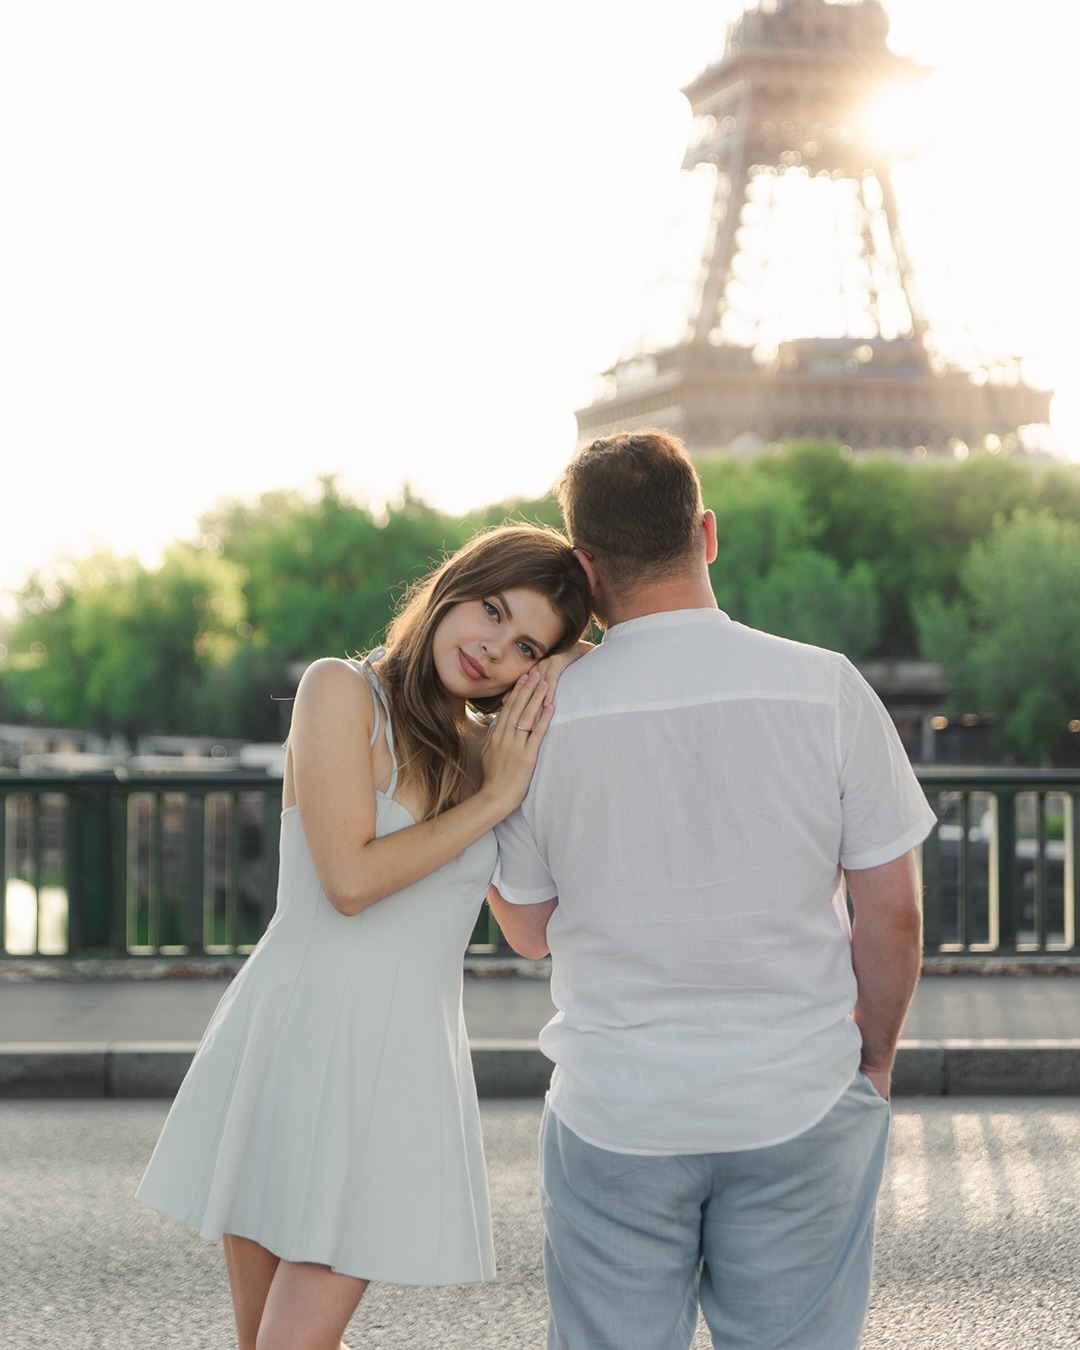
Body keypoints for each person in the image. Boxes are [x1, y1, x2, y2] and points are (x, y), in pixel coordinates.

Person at [488, 430, 938, 1350]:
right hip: (799, 1095)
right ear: (709, 532)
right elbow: (892, 911)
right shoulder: (826, 688)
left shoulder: (545, 713)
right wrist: (874, 1062)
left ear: (583, 565)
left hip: (616, 1105)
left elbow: (529, 933)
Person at [136, 522, 591, 1350]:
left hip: (400, 1063)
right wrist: (492, 801)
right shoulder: (341, 692)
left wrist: (561, 665)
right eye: (489, 610)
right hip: (293, 1040)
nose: (493, 648)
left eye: (525, 645)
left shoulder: (488, 747)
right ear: (453, 586)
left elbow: (604, 670)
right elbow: (348, 882)